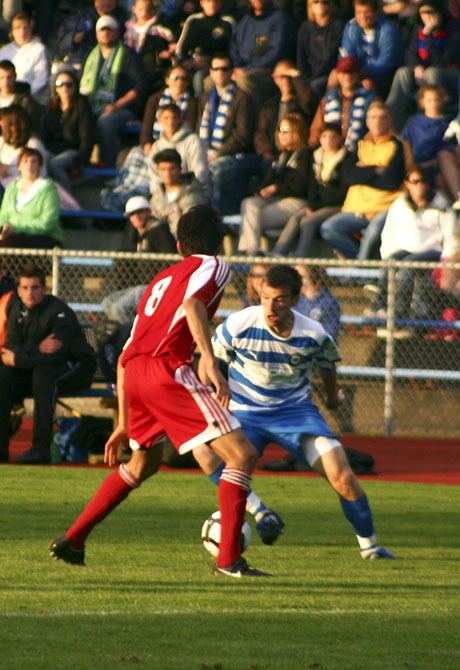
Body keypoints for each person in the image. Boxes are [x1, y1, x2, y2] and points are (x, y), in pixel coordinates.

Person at [49, 205, 270, 579]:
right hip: (166, 369)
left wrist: (123, 421)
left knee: (142, 464)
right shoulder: (215, 266)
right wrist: (211, 362)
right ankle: (229, 560)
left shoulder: (162, 279)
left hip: (134, 371)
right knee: (241, 454)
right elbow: (194, 305)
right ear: (220, 242)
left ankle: (74, 539)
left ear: (180, 244)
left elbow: (124, 355)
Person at [193, 264, 394, 560]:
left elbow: (327, 367)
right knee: (203, 451)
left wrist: (330, 396)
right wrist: (212, 388)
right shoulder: (239, 324)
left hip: (295, 415)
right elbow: (207, 362)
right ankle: (260, 513)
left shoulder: (313, 333)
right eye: (265, 298)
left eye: (280, 300)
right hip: (245, 413)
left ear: (296, 300)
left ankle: (370, 547)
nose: (270, 307)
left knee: (341, 473)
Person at [0, 261, 97, 464]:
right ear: (18, 290)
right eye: (25, 288)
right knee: (3, 374)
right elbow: (10, 350)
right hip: (36, 366)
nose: (30, 293)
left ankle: (40, 449)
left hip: (77, 368)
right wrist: (34, 350)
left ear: (44, 289)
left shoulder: (58, 311)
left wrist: (20, 357)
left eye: (35, 288)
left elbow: (55, 355)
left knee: (44, 376)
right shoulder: (16, 309)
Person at [364, 165, 460, 336]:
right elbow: (389, 232)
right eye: (414, 182)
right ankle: (380, 306)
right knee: (391, 261)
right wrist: (387, 254)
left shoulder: (441, 204)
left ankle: (400, 314)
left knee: (408, 266)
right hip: (405, 249)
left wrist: (446, 261)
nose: (419, 186)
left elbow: (450, 236)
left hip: (433, 251)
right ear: (407, 184)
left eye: (423, 182)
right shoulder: (400, 204)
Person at [320, 101, 413, 259]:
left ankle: (360, 270)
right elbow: (349, 177)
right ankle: (360, 265)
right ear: (367, 121)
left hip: (384, 208)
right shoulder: (360, 145)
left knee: (372, 234)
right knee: (328, 228)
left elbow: (391, 181)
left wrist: (363, 172)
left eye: (383, 118)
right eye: (373, 117)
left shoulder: (398, 145)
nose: (378, 121)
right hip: (356, 208)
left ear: (390, 121)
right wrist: (376, 169)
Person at [238, 113, 313, 254]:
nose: (281, 134)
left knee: (254, 218)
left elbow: (301, 186)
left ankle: (252, 255)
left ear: (297, 132)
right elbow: (267, 182)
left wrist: (276, 188)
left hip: (296, 202)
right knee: (248, 204)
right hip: (277, 199)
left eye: (286, 131)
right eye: (280, 130)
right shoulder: (281, 156)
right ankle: (251, 250)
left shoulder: (305, 154)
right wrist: (262, 190)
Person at [79, 15, 147, 167]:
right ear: (97, 34)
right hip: (92, 106)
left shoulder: (128, 55)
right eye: (102, 30)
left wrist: (116, 105)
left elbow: (141, 86)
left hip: (123, 108)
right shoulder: (89, 56)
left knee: (105, 122)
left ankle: (109, 167)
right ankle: (79, 165)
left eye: (110, 30)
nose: (106, 33)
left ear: (117, 32)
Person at [272, 122, 347, 257]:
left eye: (333, 137)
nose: (328, 140)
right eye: (324, 137)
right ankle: (277, 253)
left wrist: (317, 207)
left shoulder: (345, 158)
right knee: (296, 217)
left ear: (340, 138)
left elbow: (342, 192)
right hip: (317, 204)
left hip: (336, 205)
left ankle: (301, 257)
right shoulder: (316, 157)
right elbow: (312, 186)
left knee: (308, 221)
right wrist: (312, 205)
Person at [386, 0, 460, 132]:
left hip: (451, 75)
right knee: (403, 72)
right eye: (423, 13)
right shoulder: (419, 29)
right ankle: (389, 117)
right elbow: (410, 53)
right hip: (424, 72)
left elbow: (442, 61)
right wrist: (417, 67)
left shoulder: (454, 29)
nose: (427, 16)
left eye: (430, 12)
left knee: (432, 72)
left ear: (439, 13)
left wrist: (428, 36)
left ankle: (429, 117)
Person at [198, 52, 258, 215]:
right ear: (210, 72)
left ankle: (216, 216)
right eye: (216, 69)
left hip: (234, 155)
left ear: (232, 72)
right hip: (207, 151)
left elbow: (242, 136)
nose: (220, 73)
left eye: (224, 69)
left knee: (213, 171)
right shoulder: (205, 98)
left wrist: (218, 153)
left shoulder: (242, 98)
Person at [229, 0, 296, 105]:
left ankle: (254, 118)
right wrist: (236, 67)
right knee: (210, 81)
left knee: (244, 80)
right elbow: (234, 47)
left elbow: (275, 53)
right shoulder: (245, 20)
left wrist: (246, 69)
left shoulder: (280, 19)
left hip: (269, 71)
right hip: (241, 70)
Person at [41, 68, 95, 193]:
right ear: (55, 88)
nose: (64, 88)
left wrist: (82, 159)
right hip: (53, 149)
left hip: (73, 150)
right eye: (60, 84)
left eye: (69, 85)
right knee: (39, 161)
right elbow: (45, 133)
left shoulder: (82, 105)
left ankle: (68, 200)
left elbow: (86, 137)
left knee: (54, 165)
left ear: (75, 87)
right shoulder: (51, 106)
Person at [308, 55, 375, 151]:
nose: (347, 77)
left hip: (358, 152)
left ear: (357, 75)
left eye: (351, 73)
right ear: (338, 75)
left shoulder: (370, 99)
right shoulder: (327, 99)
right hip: (330, 152)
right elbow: (316, 130)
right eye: (344, 73)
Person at [0, 147, 62, 249]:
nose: (29, 165)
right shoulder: (12, 188)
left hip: (45, 238)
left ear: (39, 166)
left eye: (34, 162)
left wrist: (15, 227)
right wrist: (3, 230)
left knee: (11, 244)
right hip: (13, 237)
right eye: (25, 161)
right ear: (19, 166)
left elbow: (47, 223)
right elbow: (3, 216)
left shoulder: (49, 189)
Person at [339, 0, 404, 97]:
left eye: (367, 12)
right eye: (359, 12)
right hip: (357, 74)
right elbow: (347, 58)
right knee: (335, 76)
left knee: (367, 84)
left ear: (375, 12)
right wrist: (354, 74)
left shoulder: (388, 29)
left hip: (384, 77)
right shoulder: (351, 27)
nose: (362, 17)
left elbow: (385, 64)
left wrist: (360, 74)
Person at [254, 59, 311, 167]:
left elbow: (308, 102)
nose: (286, 81)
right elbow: (260, 133)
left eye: (289, 77)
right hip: (272, 155)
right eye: (281, 77)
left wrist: (295, 74)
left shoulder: (301, 103)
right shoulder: (269, 105)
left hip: (294, 153)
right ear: (275, 79)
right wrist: (267, 152)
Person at [148, 148, 210, 242]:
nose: (167, 173)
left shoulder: (194, 195)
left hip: (185, 243)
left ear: (180, 169)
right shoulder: (156, 197)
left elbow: (191, 228)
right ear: (158, 171)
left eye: (172, 168)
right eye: (163, 169)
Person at [175, 0, 235, 96]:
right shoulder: (193, 20)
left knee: (199, 78)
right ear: (201, 3)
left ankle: (200, 107)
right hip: (191, 60)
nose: (212, 4)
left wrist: (209, 63)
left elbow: (232, 51)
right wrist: (184, 61)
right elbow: (180, 48)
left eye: (215, 2)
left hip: (214, 64)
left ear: (221, 4)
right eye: (208, 1)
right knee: (175, 76)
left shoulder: (227, 22)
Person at [139, 65, 197, 154]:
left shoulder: (192, 102)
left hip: (180, 145)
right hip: (155, 143)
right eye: (175, 78)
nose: (179, 81)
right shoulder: (154, 99)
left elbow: (190, 127)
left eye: (183, 78)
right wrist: (147, 144)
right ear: (167, 80)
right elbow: (147, 127)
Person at [55, 0, 130, 70]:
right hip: (81, 65)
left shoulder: (126, 20)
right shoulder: (82, 17)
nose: (107, 2)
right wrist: (74, 38)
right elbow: (62, 45)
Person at [296, 0, 344, 106]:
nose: (320, 5)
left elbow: (331, 59)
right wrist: (305, 78)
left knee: (314, 87)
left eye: (325, 2)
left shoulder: (338, 26)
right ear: (310, 5)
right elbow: (301, 58)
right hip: (308, 75)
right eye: (316, 2)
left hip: (327, 75)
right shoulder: (305, 28)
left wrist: (313, 79)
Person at [0, 11, 50, 106]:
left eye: (25, 28)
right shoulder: (3, 51)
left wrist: (21, 98)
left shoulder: (39, 49)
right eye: (17, 28)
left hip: (29, 101)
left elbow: (41, 80)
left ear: (31, 28)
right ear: (12, 32)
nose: (22, 32)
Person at [123, 0, 175, 92]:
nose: (143, 13)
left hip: (149, 66)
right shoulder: (128, 27)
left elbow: (171, 38)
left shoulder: (156, 27)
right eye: (140, 9)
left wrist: (169, 51)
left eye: (147, 10)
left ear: (152, 11)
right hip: (131, 62)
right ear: (133, 9)